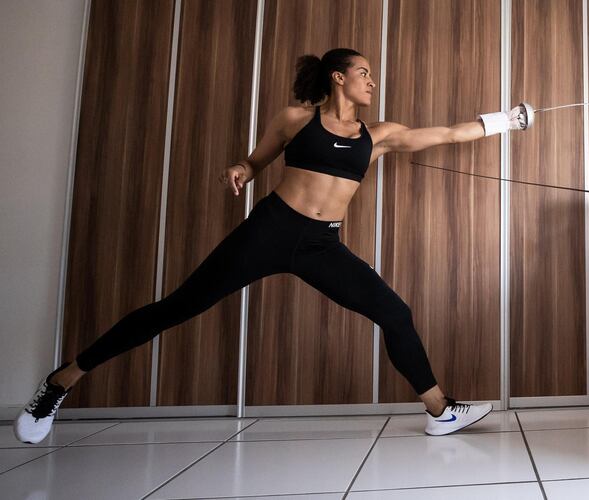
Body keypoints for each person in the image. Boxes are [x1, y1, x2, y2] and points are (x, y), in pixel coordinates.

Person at [15, 48, 532, 444]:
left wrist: (506, 121)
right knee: (176, 307)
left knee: (395, 313)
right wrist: (240, 170)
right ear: (338, 76)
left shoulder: (379, 136)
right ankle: (61, 380)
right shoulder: (296, 119)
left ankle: (440, 412)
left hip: (322, 246)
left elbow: (445, 134)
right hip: (270, 230)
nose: (372, 81)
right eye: (364, 72)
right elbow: (254, 160)